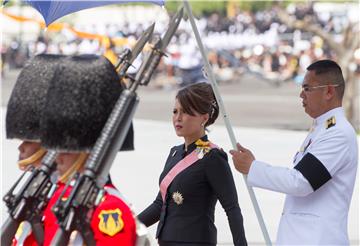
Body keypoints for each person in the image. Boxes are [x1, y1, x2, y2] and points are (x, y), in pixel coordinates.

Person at [230, 60, 358, 245]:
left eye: (307, 88)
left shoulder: (338, 133)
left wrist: (253, 168)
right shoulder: (322, 129)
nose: (301, 95)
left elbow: (301, 181)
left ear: (329, 91)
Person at [138, 82, 247, 246]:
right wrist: (129, 226)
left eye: (186, 112)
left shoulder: (213, 157)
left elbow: (232, 208)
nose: (178, 118)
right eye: (175, 111)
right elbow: (159, 204)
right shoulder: (174, 153)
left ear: (204, 117)